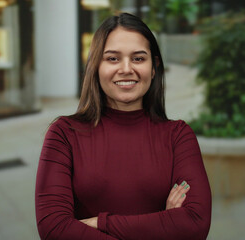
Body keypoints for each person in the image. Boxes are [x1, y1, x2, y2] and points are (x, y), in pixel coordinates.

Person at [35, 13, 211, 240]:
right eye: (112, 59)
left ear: (154, 67)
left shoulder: (178, 136)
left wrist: (101, 222)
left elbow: (195, 224)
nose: (126, 69)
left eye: (138, 58)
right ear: (96, 66)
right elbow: (54, 229)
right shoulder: (64, 134)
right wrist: (162, 226)